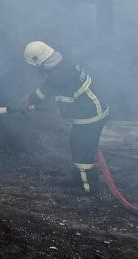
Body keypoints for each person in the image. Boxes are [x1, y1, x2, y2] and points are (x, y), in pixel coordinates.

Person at [21, 41, 110, 193]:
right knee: (77, 145)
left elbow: (43, 93)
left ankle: (88, 188)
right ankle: (78, 180)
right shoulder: (64, 62)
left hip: (90, 116)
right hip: (91, 111)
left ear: (39, 61)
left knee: (82, 151)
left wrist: (29, 99)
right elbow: (65, 94)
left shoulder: (56, 76)